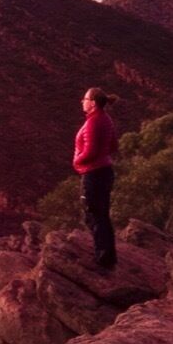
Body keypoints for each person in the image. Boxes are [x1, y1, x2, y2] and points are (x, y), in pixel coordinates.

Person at [72, 85, 119, 271]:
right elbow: (114, 146)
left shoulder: (93, 122)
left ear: (92, 103)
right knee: (101, 215)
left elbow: (90, 151)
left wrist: (77, 161)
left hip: (94, 174)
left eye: (84, 99)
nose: (82, 102)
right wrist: (101, 156)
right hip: (104, 171)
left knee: (93, 215)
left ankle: (103, 258)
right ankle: (107, 255)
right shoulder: (105, 119)